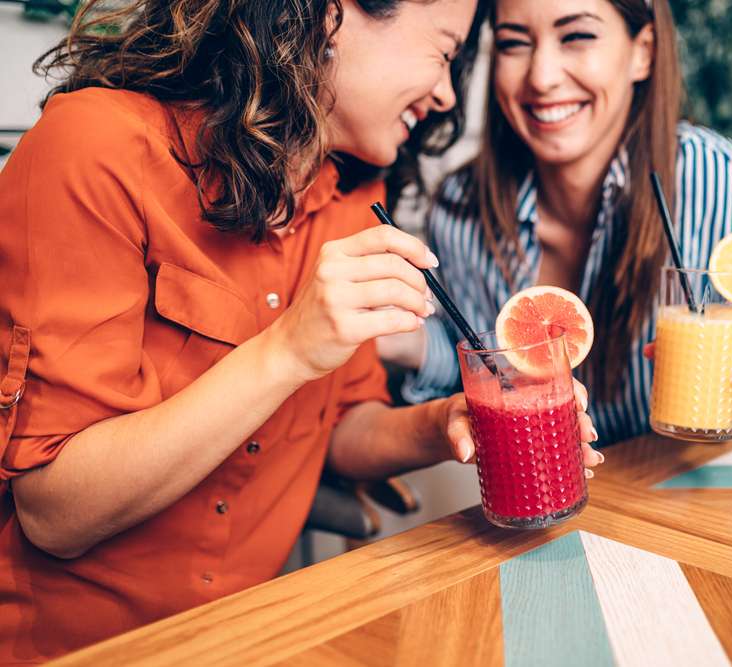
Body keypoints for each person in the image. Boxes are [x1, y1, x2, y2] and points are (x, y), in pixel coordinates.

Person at [0, 0, 604, 660]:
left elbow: (341, 428)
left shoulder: (349, 198)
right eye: (445, 53)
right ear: (333, 16)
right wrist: (288, 348)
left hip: (252, 636)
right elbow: (54, 512)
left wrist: (449, 422)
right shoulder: (95, 147)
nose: (443, 93)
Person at [379, 0, 732, 445]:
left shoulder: (717, 178)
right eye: (513, 44)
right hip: (554, 503)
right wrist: (401, 342)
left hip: (683, 489)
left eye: (577, 36)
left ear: (643, 52)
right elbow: (488, 367)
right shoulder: (463, 205)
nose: (542, 77)